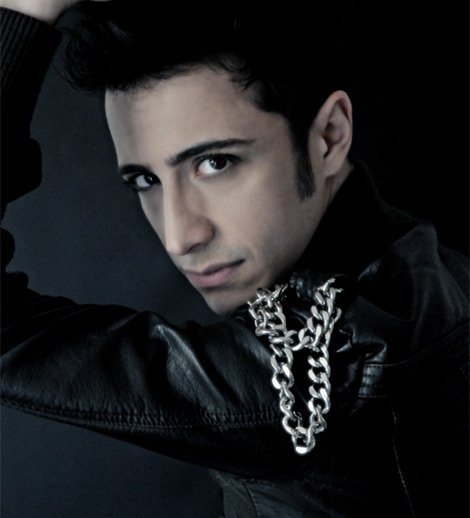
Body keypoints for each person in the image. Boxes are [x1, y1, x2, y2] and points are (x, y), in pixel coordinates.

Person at [1, 1, 468, 517]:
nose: (179, 236)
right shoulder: (422, 265)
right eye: (145, 180)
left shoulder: (323, 378)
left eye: (215, 162)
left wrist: (22, 10)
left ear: (329, 136)